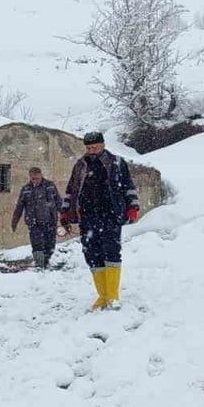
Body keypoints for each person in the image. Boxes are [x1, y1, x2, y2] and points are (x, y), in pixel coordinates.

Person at [60, 132, 140, 310]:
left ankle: (113, 296)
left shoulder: (116, 162)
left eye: (94, 147)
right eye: (88, 147)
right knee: (92, 254)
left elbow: (128, 186)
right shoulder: (80, 165)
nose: (91, 150)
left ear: (103, 145)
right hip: (87, 216)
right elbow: (71, 191)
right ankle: (102, 296)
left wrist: (132, 207)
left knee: (111, 252)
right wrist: (65, 212)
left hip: (111, 214)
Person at [11, 166, 62, 270]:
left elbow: (59, 202)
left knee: (50, 245)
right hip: (33, 222)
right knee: (36, 245)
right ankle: (39, 265)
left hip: (50, 221)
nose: (35, 181)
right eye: (33, 178)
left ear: (41, 175)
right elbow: (19, 206)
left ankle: (46, 261)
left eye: (37, 178)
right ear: (30, 177)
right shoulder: (26, 189)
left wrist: (66, 217)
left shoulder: (50, 186)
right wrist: (14, 221)